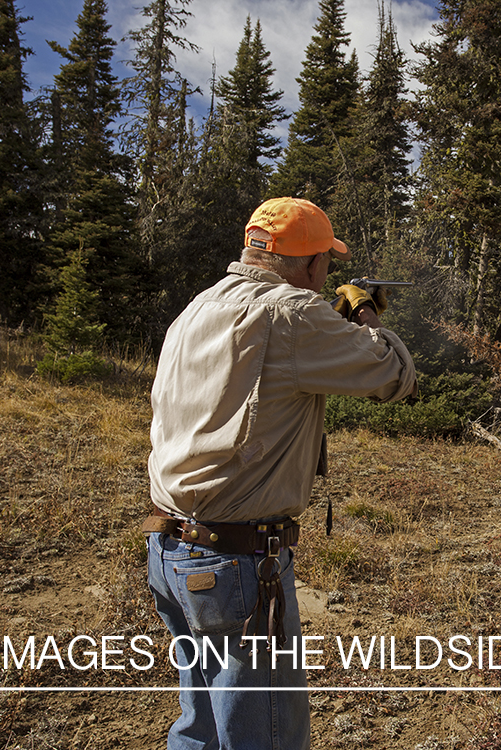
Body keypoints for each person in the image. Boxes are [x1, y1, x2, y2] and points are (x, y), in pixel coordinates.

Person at [143, 197, 418, 750]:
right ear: (313, 265)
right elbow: (393, 377)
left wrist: (327, 323)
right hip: (239, 565)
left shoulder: (198, 306)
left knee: (200, 731)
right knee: (264, 737)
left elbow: (262, 373)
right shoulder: (292, 313)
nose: (328, 275)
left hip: (171, 549)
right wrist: (364, 315)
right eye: (326, 265)